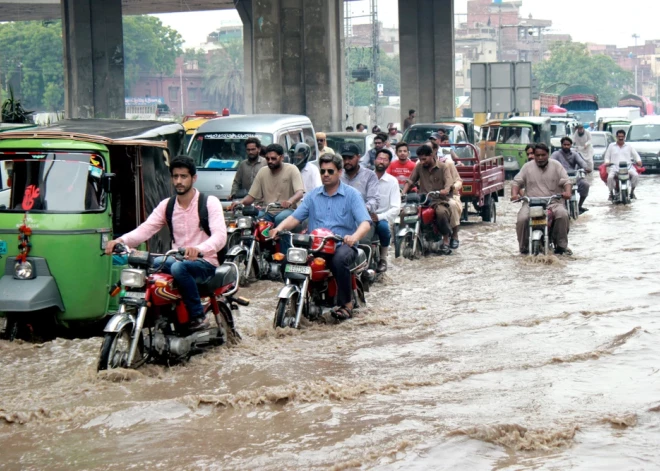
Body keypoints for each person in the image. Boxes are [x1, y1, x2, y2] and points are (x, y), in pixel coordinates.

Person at [105, 156, 227, 331]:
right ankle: (155, 317)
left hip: (205, 262)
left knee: (179, 268)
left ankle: (198, 316)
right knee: (147, 265)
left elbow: (220, 236)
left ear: (194, 178)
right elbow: (145, 229)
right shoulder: (167, 205)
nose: (179, 181)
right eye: (175, 176)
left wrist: (198, 249)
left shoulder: (209, 202)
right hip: (176, 259)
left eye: (183, 176)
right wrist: (120, 241)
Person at [269, 154, 371, 321]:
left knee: (339, 260)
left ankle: (347, 304)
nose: (326, 174)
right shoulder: (312, 196)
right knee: (288, 261)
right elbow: (295, 218)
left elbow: (365, 223)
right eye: (323, 171)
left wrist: (353, 237)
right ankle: (298, 296)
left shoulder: (352, 195)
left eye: (330, 171)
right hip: (314, 245)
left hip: (341, 245)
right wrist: (278, 228)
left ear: (339, 172)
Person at [234, 143, 305, 253]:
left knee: (280, 219)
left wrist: (290, 201)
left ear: (281, 157)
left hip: (288, 211)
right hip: (267, 211)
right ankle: (256, 253)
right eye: (267, 158)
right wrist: (239, 203)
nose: (270, 161)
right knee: (251, 221)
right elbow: (251, 196)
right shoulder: (263, 171)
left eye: (273, 158)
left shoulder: (292, 169)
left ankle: (284, 255)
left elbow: (299, 192)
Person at [511, 143, 572, 255]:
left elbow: (566, 181)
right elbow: (516, 182)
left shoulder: (557, 165)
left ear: (547, 154)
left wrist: (567, 192)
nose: (540, 158)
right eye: (537, 155)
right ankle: (523, 248)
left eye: (543, 155)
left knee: (563, 215)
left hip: (553, 202)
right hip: (531, 203)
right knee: (522, 219)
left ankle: (561, 246)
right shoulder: (527, 167)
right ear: (533, 155)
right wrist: (514, 194)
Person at [401, 144, 453, 255]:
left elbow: (449, 183)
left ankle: (446, 239)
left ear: (432, 155)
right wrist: (403, 193)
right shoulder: (419, 166)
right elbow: (410, 181)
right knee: (406, 212)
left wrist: (445, 190)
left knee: (441, 212)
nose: (422, 161)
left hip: (439, 200)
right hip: (423, 200)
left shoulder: (443, 167)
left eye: (424, 159)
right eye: (420, 159)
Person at [372, 149, 401, 273]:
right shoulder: (366, 178)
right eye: (379, 158)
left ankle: (383, 259)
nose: (381, 161)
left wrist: (379, 217)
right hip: (365, 216)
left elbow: (396, 208)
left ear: (389, 163)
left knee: (384, 229)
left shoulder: (392, 182)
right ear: (374, 160)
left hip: (382, 218)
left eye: (385, 159)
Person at [551, 137, 591, 213]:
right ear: (561, 145)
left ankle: (579, 206)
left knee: (585, 185)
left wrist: (586, 168)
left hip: (573, 178)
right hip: (561, 179)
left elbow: (582, 163)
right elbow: (550, 163)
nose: (566, 146)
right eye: (564, 144)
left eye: (568, 145)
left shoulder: (575, 154)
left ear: (571, 145)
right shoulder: (556, 154)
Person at [340, 143, 380, 214]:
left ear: (358, 157)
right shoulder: (338, 175)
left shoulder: (369, 175)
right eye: (344, 158)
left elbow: (374, 200)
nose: (347, 161)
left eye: (350, 158)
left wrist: (363, 208)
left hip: (362, 216)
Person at [603, 129, 642, 199]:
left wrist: (638, 161)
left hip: (628, 167)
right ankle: (611, 193)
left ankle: (632, 191)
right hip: (614, 167)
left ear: (624, 137)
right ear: (616, 137)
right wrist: (607, 162)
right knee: (610, 178)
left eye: (622, 136)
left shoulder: (629, 146)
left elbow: (636, 155)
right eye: (619, 136)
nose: (621, 138)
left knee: (635, 175)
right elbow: (607, 157)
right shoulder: (611, 146)